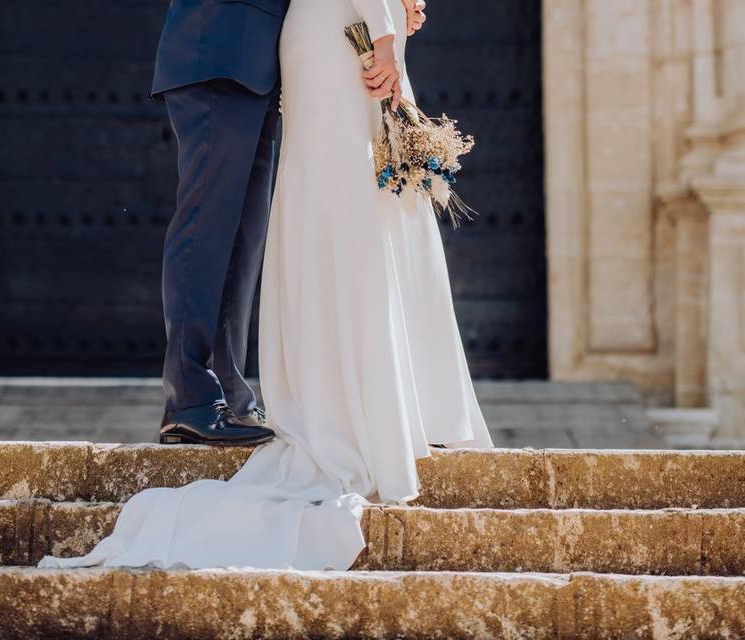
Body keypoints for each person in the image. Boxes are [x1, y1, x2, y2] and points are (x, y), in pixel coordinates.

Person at [38, 0, 493, 572]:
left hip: (263, 68)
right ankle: (191, 394)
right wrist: (380, 20)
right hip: (220, 57)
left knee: (242, 237)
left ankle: (226, 387)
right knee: (206, 226)